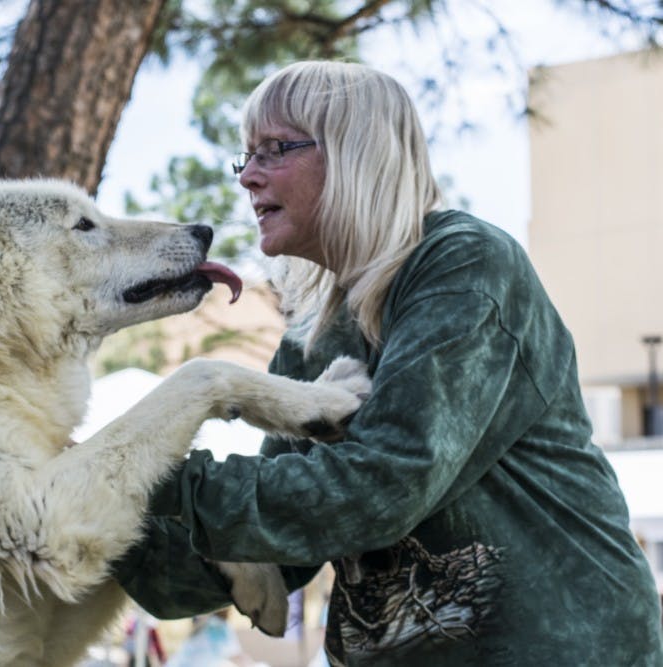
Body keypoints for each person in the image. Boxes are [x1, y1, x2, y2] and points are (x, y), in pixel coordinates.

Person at [111, 61, 663, 666]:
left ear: (356, 152)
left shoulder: (463, 265)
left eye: (274, 149)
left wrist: (147, 470)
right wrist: (82, 507)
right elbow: (280, 543)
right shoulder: (310, 339)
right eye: (246, 157)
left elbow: (387, 480)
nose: (249, 178)